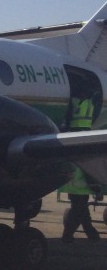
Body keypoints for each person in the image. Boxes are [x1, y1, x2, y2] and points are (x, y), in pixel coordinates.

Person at [61, 93, 100, 243]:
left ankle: (91, 233)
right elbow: (89, 169)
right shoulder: (91, 102)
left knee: (81, 209)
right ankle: (68, 235)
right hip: (81, 186)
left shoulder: (74, 101)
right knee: (79, 210)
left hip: (72, 184)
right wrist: (96, 186)